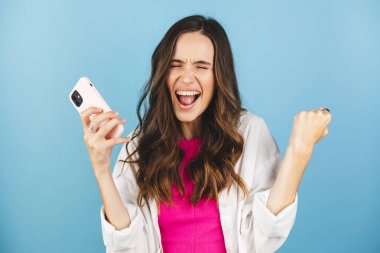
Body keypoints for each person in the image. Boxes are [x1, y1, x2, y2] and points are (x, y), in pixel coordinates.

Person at [79, 15, 332, 253]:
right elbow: (127, 247)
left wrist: (299, 151)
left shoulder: (250, 132)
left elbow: (266, 234)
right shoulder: (138, 145)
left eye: (201, 66)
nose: (186, 77)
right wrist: (101, 169)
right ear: (163, 74)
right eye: (175, 65)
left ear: (218, 76)